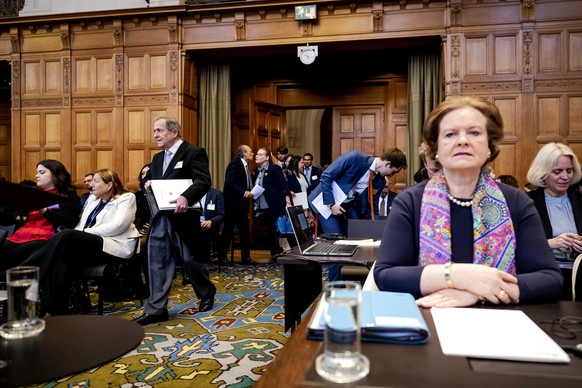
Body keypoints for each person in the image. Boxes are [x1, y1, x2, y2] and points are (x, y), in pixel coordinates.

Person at [374, 96, 563, 307]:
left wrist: (478, 293)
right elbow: (386, 276)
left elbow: (550, 279)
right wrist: (458, 275)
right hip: (429, 321)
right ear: (436, 149)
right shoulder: (409, 201)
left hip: (503, 324)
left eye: (474, 132)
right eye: (450, 134)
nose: (463, 140)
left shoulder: (516, 201)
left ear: (489, 146)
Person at [16, 168, 140, 315]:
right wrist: (79, 233)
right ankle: (53, 310)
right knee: (59, 259)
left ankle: (23, 272)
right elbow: (81, 224)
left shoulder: (126, 198)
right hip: (90, 245)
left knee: (67, 235)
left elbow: (118, 226)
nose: (91, 184)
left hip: (113, 245)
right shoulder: (93, 200)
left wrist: (81, 234)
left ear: (109, 185)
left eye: (96, 181)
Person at [134, 116, 215, 326]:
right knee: (157, 260)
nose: (155, 135)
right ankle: (156, 309)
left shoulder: (193, 152)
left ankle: (207, 291)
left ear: (174, 132)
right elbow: (152, 180)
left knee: (190, 260)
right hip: (161, 216)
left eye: (159, 130)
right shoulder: (157, 158)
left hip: (184, 217)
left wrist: (186, 197)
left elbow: (203, 181)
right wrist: (148, 183)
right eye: (154, 131)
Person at [308, 148, 407, 281]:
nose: (391, 176)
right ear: (387, 164)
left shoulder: (379, 181)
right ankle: (335, 287)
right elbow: (326, 176)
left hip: (346, 206)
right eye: (393, 172)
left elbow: (371, 207)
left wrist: (375, 229)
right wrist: (331, 204)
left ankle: (356, 280)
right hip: (325, 203)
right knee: (337, 246)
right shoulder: (355, 158)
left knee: (357, 239)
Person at [0, 160, 81, 271]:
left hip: (47, 237)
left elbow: (68, 222)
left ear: (56, 175)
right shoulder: (32, 194)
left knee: (12, 255)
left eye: (42, 173)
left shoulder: (67, 196)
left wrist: (44, 210)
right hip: (22, 234)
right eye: (37, 172)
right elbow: (19, 219)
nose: (36, 176)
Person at [526, 143, 582, 264]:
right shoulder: (528, 203)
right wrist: (550, 243)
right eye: (557, 172)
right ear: (543, 173)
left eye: (569, 171)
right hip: (545, 271)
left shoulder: (580, 199)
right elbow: (518, 244)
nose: (565, 177)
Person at [218, 145, 255, 265]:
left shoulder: (245, 166)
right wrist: (243, 192)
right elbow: (229, 183)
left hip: (241, 206)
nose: (252, 154)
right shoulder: (235, 164)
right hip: (232, 206)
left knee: (244, 232)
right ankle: (222, 258)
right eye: (250, 152)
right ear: (244, 153)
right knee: (227, 232)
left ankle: (245, 258)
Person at [253, 147, 292, 259]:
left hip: (275, 204)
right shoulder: (257, 171)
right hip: (264, 205)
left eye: (260, 154)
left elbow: (283, 185)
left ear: (267, 157)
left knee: (278, 230)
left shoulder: (273, 168)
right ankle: (275, 254)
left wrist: (288, 202)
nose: (257, 156)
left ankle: (283, 254)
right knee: (270, 230)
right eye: (257, 154)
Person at [200, 187, 225, 263]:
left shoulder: (216, 194)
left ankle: (204, 258)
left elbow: (221, 215)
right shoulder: (192, 194)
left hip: (210, 225)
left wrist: (211, 221)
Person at [134, 163, 151, 233]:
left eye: (148, 173)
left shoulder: (159, 196)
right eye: (143, 173)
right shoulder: (135, 196)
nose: (145, 177)